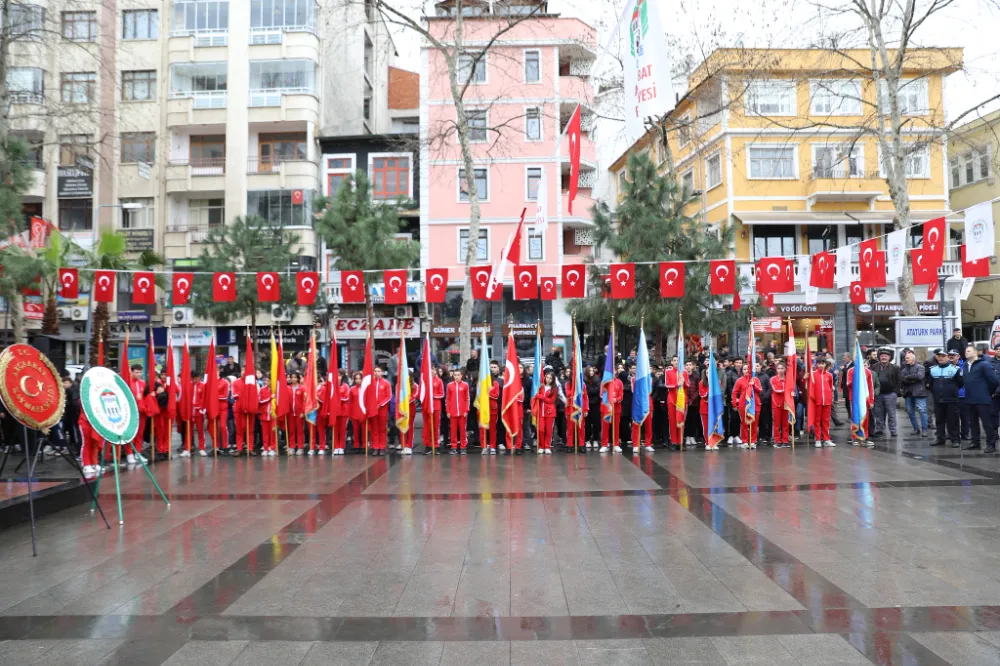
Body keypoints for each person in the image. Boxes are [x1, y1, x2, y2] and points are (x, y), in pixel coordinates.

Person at [963, 344, 999, 453]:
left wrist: (989, 392)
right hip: (969, 399)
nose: (966, 353)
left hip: (983, 399)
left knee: (987, 423)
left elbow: (994, 381)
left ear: (975, 352)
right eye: (965, 351)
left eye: (969, 351)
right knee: (972, 422)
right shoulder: (965, 365)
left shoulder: (984, 365)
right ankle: (975, 442)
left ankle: (991, 444)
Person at [928, 349, 963, 448]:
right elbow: (929, 384)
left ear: (947, 357)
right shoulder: (933, 369)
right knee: (939, 420)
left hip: (951, 400)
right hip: (938, 400)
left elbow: (960, 383)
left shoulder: (955, 369)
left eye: (943, 356)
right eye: (939, 356)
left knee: (953, 421)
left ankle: (955, 439)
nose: (940, 358)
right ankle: (940, 438)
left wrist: (951, 392)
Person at [731, 364, 761, 449]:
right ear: (742, 371)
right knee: (744, 423)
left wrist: (753, 385)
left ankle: (753, 441)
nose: (746, 371)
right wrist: (734, 403)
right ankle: (744, 441)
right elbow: (734, 392)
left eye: (748, 369)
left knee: (754, 423)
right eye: (744, 369)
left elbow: (760, 390)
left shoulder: (755, 380)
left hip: (755, 404)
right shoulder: (739, 380)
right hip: (743, 405)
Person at [871, 349, 900, 439]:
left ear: (889, 358)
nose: (884, 357)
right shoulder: (874, 366)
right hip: (878, 394)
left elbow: (899, 380)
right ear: (879, 357)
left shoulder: (895, 367)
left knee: (891, 413)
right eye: (882, 356)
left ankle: (893, 430)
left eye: (886, 356)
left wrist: (895, 392)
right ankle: (879, 429)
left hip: (890, 394)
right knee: (878, 413)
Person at [900, 351, 928, 437]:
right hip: (908, 393)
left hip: (919, 393)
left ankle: (924, 429)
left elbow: (920, 377)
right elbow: (903, 379)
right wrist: (913, 379)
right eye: (905, 358)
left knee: (922, 411)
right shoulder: (904, 369)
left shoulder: (920, 367)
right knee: (910, 412)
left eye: (907, 358)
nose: (906, 359)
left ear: (913, 359)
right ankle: (916, 429)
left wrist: (908, 378)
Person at [367, 367, 392, 455]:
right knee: (374, 428)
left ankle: (382, 447)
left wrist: (380, 404)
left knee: (382, 428)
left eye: (379, 371)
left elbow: (388, 396)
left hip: (382, 409)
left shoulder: (386, 383)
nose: (377, 373)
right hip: (373, 409)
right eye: (375, 371)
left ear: (382, 373)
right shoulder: (370, 383)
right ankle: (375, 447)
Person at [420, 366, 445, 454]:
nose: (431, 371)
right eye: (430, 369)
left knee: (436, 427)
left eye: (433, 369)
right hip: (426, 407)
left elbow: (441, 394)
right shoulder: (424, 381)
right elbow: (421, 393)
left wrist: (432, 395)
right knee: (427, 427)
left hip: (436, 407)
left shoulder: (439, 381)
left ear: (435, 370)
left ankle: (436, 445)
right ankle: (428, 446)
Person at [664, 357, 687, 451]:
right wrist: (677, 384)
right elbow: (667, 384)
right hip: (672, 399)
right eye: (675, 360)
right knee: (672, 421)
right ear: (672, 362)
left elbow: (688, 385)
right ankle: (673, 442)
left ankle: (680, 442)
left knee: (681, 421)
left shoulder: (684, 372)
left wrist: (684, 382)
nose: (677, 362)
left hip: (681, 399)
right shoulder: (668, 372)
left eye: (678, 360)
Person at [811, 358, 835, 447]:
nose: (821, 365)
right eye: (819, 364)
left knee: (826, 421)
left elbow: (830, 387)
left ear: (825, 365)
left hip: (827, 402)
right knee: (817, 421)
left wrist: (830, 398)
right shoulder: (813, 374)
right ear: (817, 365)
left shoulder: (829, 375)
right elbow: (808, 386)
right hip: (817, 401)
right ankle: (817, 439)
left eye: (822, 364)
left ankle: (826, 439)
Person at [446, 369, 470, 455]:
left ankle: (463, 447)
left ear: (461, 376)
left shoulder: (465, 385)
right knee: (453, 431)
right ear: (453, 376)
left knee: (463, 431)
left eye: (458, 375)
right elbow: (447, 399)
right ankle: (454, 447)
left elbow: (467, 399)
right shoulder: (449, 385)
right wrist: (448, 411)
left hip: (462, 412)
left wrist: (466, 410)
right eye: (455, 375)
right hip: (452, 412)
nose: (456, 376)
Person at [600, 368, 624, 453]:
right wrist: (609, 400)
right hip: (606, 407)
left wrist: (615, 399)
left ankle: (616, 444)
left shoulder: (619, 382)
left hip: (616, 408)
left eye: (614, 371)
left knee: (616, 427)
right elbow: (601, 395)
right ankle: (604, 445)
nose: (612, 372)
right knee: (605, 427)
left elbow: (621, 395)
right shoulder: (604, 383)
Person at [480, 360, 501, 454]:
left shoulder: (495, 383)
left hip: (493, 409)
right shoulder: (482, 383)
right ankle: (484, 446)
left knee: (493, 428)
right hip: (484, 408)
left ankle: (492, 446)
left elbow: (496, 395)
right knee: (483, 428)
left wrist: (488, 392)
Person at [534, 369, 557, 454]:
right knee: (540, 430)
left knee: (549, 430)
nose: (548, 379)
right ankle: (541, 446)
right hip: (540, 412)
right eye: (547, 377)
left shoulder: (554, 388)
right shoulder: (540, 386)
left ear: (552, 379)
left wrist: (541, 397)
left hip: (550, 412)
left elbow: (551, 400)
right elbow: (535, 395)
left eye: (550, 378)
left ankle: (547, 446)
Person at [770, 361, 790, 448]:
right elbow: (776, 390)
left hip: (786, 404)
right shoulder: (773, 379)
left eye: (782, 368)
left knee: (786, 424)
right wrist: (787, 390)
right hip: (776, 404)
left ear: (785, 369)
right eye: (778, 368)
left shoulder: (788, 379)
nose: (780, 370)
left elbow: (791, 390)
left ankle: (785, 440)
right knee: (777, 424)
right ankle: (777, 440)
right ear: (776, 369)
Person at [285, 372, 305, 455]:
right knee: (291, 430)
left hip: (299, 412)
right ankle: (292, 446)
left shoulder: (302, 388)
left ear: (298, 378)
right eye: (291, 377)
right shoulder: (287, 388)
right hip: (290, 412)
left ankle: (300, 447)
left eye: (295, 377)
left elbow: (304, 401)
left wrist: (303, 412)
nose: (293, 379)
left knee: (300, 430)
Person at [348, 371, 366, 452]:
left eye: (360, 379)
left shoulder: (366, 389)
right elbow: (350, 402)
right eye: (356, 379)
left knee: (364, 430)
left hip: (363, 412)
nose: (358, 380)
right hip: (354, 412)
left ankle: (364, 445)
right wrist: (350, 413)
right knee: (355, 430)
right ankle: (356, 445)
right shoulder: (351, 389)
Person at [585, 366, 602, 447]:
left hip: (596, 403)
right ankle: (587, 439)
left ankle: (596, 439)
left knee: (596, 423)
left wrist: (591, 391)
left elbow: (599, 391)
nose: (591, 372)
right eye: (590, 371)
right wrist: (593, 390)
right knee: (587, 423)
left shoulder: (597, 379)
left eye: (592, 371)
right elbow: (586, 392)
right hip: (587, 404)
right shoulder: (584, 380)